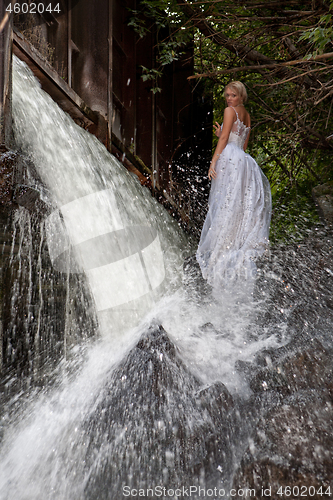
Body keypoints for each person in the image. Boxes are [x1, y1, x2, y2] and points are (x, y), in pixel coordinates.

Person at [196, 81, 271, 293]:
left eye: (233, 95)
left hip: (230, 159)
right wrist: (223, 136)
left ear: (241, 96)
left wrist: (213, 161)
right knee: (235, 204)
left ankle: (221, 250)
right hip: (245, 163)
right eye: (227, 95)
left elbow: (225, 142)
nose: (229, 99)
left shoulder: (229, 112)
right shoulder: (246, 115)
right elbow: (243, 144)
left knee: (224, 203)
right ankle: (234, 245)